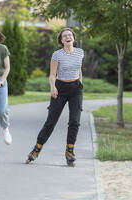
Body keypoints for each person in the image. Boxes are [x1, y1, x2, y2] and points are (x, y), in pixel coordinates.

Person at [26, 27, 84, 166]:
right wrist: (53, 87)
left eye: (70, 35)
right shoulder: (57, 55)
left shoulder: (80, 52)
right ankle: (36, 149)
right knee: (51, 121)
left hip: (76, 89)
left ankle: (70, 151)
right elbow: (52, 74)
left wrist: (80, 84)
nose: (67, 37)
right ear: (61, 40)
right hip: (60, 89)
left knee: (75, 121)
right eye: (64, 36)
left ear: (73, 38)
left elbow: (79, 70)